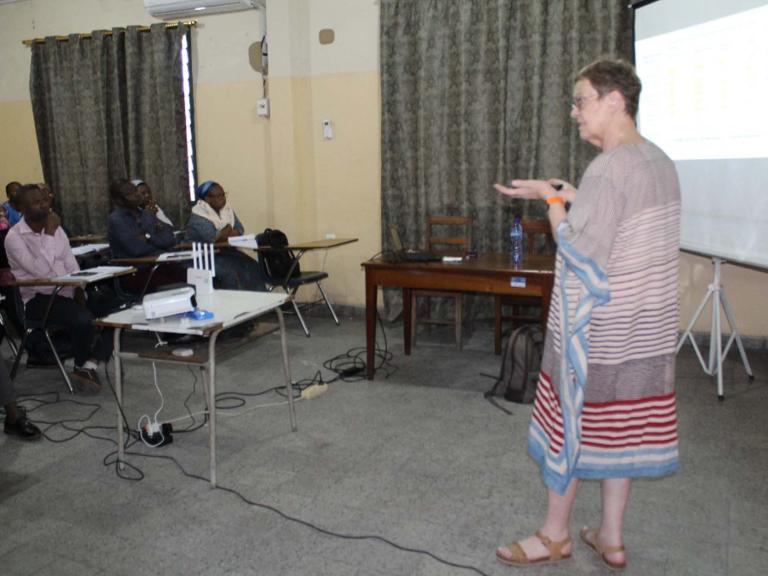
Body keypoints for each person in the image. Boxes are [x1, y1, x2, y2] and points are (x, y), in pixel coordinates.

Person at [493, 59, 680, 570]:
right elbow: (623, 224)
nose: (574, 112)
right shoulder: (658, 161)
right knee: (619, 431)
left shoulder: (609, 167)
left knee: (572, 426)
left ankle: (554, 535)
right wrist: (572, 194)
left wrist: (552, 199)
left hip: (599, 334)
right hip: (644, 334)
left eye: (581, 101)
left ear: (615, 100)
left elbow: (577, 248)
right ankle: (611, 537)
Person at [4, 184, 112, 393]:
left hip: (68, 290)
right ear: (22, 209)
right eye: (36, 203)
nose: (43, 206)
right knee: (82, 318)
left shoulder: (57, 230)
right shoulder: (14, 237)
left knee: (118, 308)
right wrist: (50, 234)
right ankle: (81, 364)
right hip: (38, 298)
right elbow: (42, 272)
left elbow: (71, 264)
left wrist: (80, 288)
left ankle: (90, 362)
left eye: (44, 200)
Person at [107, 179, 185, 294]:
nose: (137, 195)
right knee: (177, 287)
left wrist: (148, 237)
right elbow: (137, 249)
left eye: (135, 190)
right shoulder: (117, 220)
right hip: (134, 272)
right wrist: (158, 241)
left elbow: (170, 239)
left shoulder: (145, 213)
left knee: (194, 277)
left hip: (158, 265)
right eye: (129, 194)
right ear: (119, 200)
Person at [185, 180, 266, 291]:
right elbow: (215, 239)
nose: (223, 198)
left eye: (223, 194)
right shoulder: (198, 216)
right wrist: (228, 228)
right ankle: (236, 301)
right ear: (207, 199)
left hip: (224, 252)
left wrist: (226, 232)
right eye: (218, 196)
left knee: (253, 266)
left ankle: (257, 300)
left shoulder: (227, 210)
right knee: (231, 273)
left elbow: (240, 229)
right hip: (202, 256)